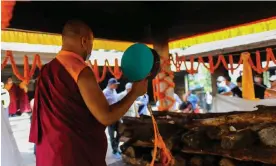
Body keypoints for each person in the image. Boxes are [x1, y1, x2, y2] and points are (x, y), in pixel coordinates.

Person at [29, 20, 148, 166]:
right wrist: (134, 93)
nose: (91, 49)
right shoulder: (80, 70)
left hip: (49, 153)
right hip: (74, 155)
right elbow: (106, 116)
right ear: (84, 41)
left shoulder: (46, 71)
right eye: (92, 43)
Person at [103, 78, 121, 159]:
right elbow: (103, 104)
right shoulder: (105, 92)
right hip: (111, 116)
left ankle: (116, 147)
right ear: (110, 84)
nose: (116, 85)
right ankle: (114, 150)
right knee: (112, 134)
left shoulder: (114, 91)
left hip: (117, 115)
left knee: (120, 132)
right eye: (115, 84)